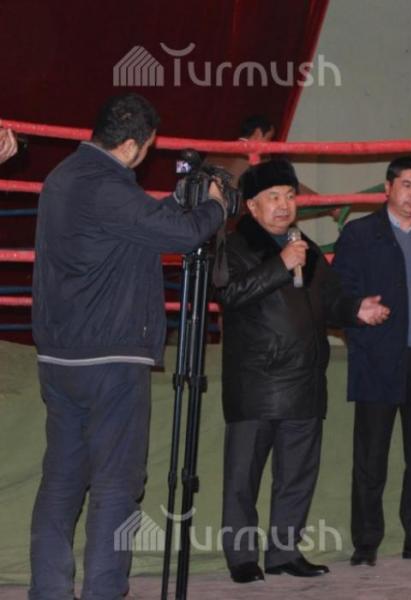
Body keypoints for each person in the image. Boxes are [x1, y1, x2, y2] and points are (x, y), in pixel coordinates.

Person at [30, 93, 226, 599]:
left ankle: (48, 591)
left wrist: (174, 204)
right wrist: (215, 205)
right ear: (134, 145)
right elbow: (183, 237)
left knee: (62, 481)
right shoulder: (109, 187)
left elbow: (131, 230)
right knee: (117, 484)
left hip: (59, 356)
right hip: (110, 357)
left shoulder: (62, 178)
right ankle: (103, 590)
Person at [216, 160, 389, 583]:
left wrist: (356, 309)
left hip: (305, 380)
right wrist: (280, 263)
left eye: (290, 196)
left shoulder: (303, 245)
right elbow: (229, 294)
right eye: (274, 197)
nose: (284, 205)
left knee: (296, 476)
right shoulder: (235, 246)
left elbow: (330, 298)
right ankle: (242, 558)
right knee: (243, 477)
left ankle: (284, 553)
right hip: (256, 382)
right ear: (252, 205)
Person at [332, 156, 411, 566]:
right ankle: (366, 542)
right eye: (407, 185)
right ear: (387, 188)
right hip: (378, 359)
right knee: (371, 458)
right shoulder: (359, 234)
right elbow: (339, 293)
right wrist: (358, 313)